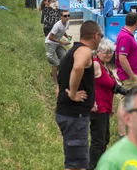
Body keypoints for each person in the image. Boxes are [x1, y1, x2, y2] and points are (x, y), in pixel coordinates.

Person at [56, 20, 103, 170]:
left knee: (75, 161)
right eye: (101, 36)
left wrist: (90, 100)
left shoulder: (72, 52)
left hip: (69, 114)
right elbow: (77, 68)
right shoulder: (85, 51)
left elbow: (60, 83)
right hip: (75, 117)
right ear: (96, 35)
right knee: (76, 165)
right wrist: (74, 94)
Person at [89, 38, 119, 169]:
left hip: (106, 108)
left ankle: (100, 165)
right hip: (98, 109)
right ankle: (92, 166)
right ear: (98, 52)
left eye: (111, 52)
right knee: (98, 142)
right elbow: (84, 82)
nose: (108, 55)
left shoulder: (105, 66)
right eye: (106, 52)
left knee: (105, 139)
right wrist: (91, 100)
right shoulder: (95, 64)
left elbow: (112, 86)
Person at [115, 12, 137, 138]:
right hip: (129, 77)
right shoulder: (126, 37)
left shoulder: (126, 35)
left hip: (132, 76)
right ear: (136, 22)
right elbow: (122, 58)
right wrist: (132, 75)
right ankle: (123, 134)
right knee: (125, 102)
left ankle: (131, 130)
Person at [46, 10, 72, 89]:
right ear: (61, 17)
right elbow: (50, 37)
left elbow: (63, 31)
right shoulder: (57, 25)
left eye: (68, 15)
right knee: (55, 63)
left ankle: (53, 72)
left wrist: (67, 37)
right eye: (65, 16)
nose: (67, 17)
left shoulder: (67, 23)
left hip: (58, 43)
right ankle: (55, 82)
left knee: (64, 60)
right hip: (50, 43)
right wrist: (61, 42)